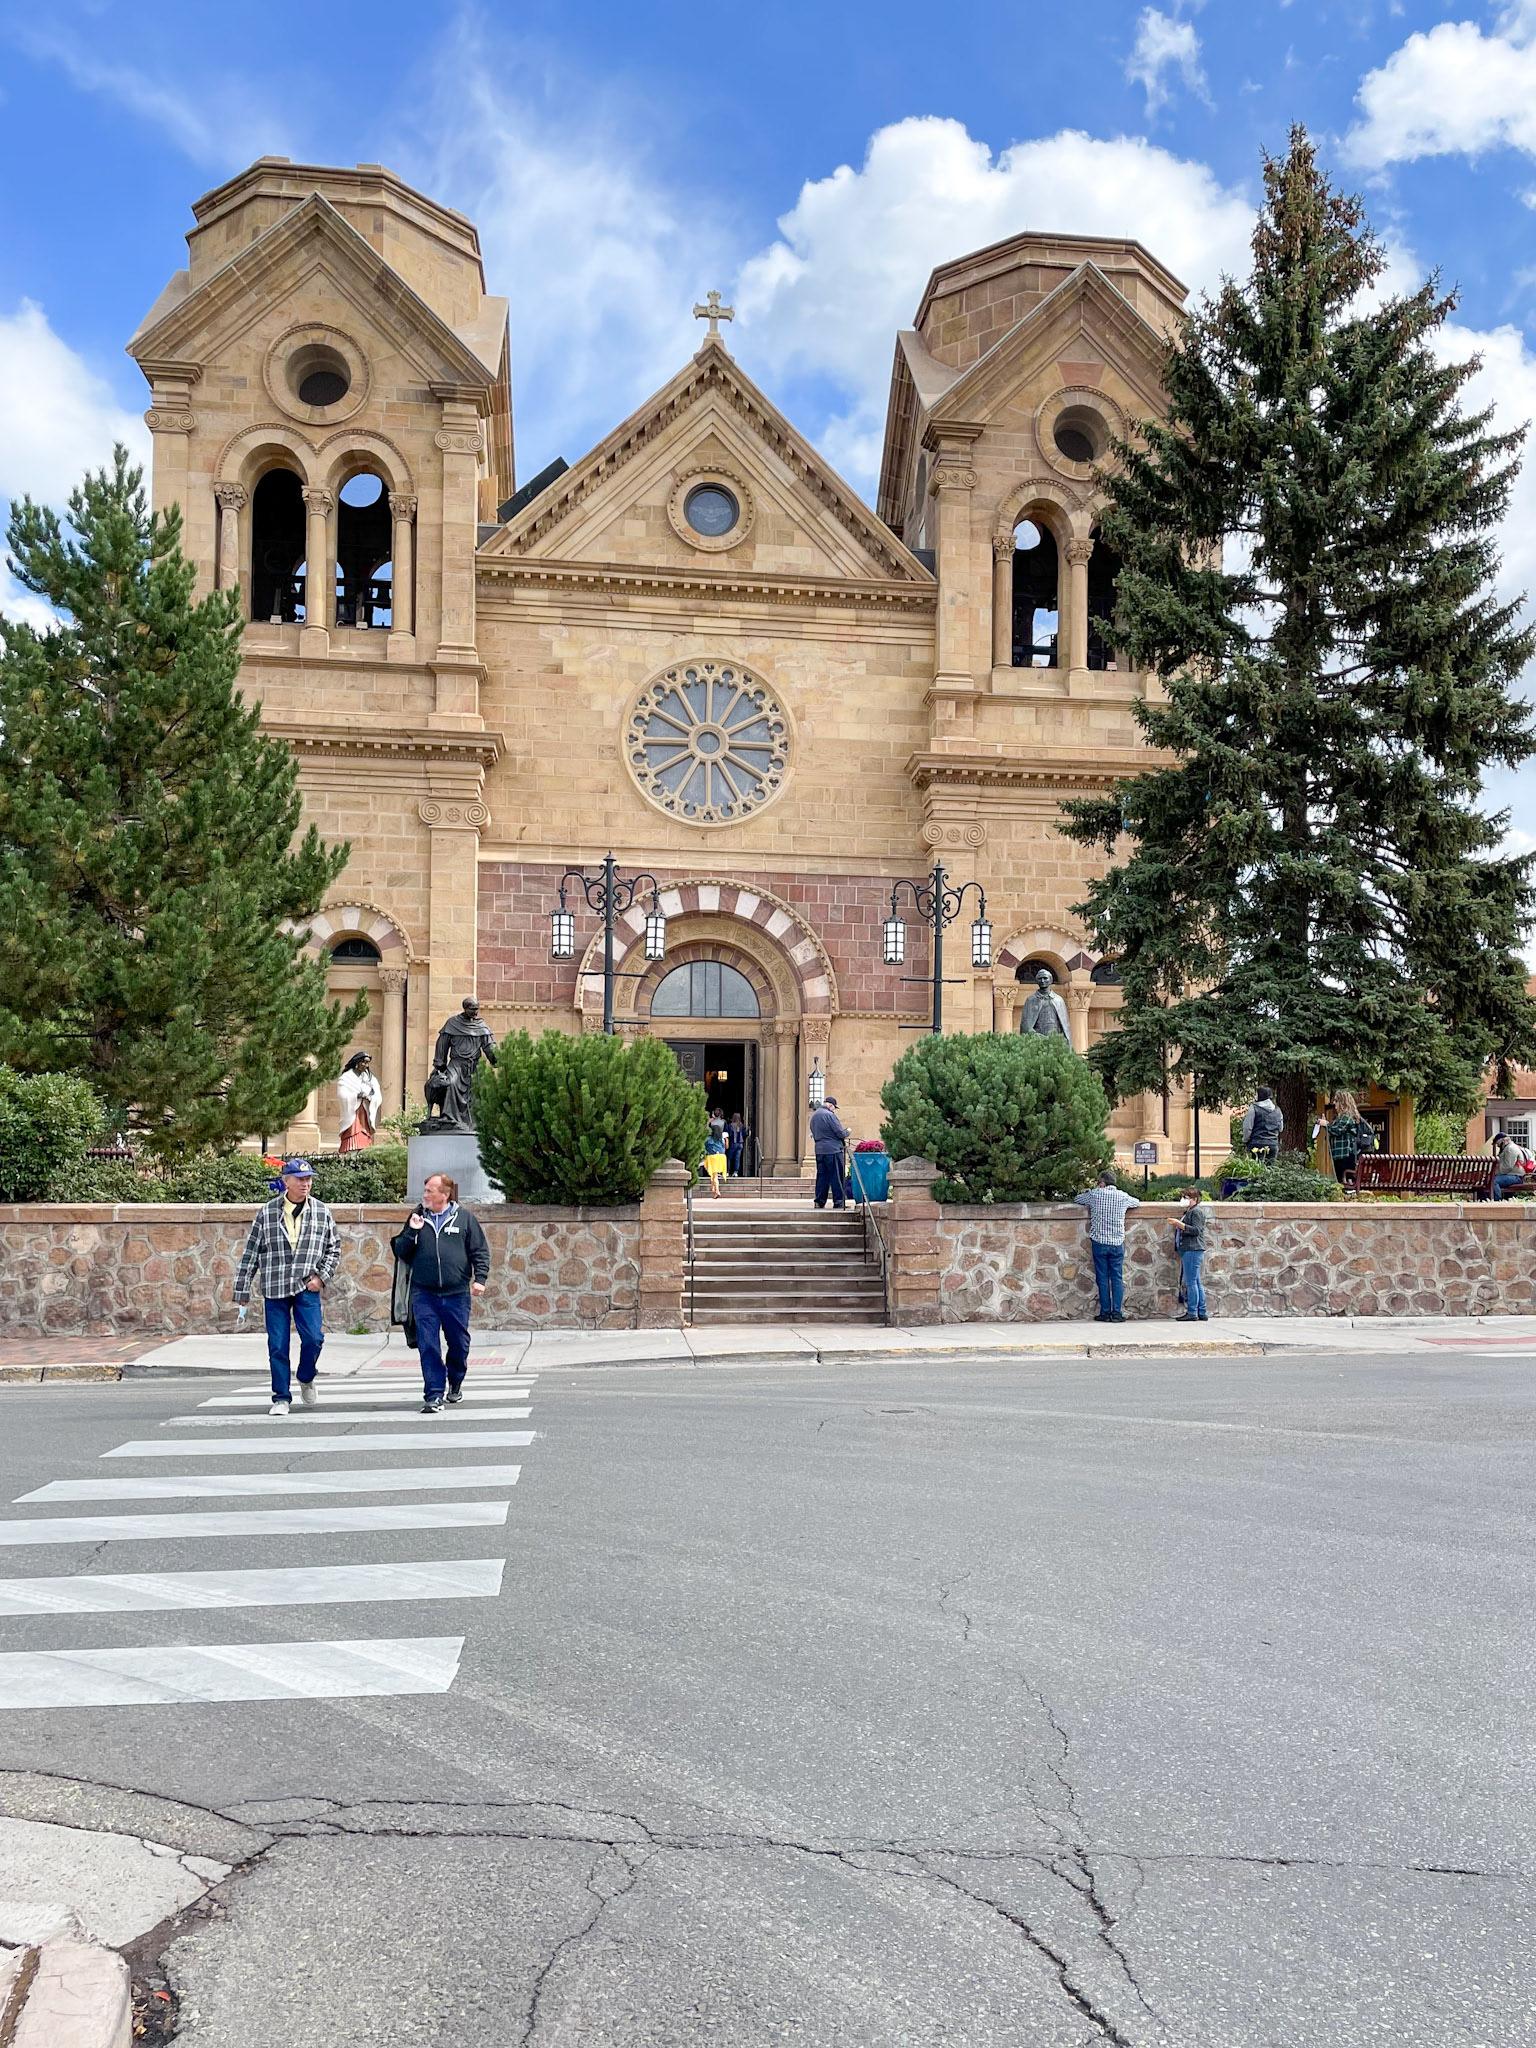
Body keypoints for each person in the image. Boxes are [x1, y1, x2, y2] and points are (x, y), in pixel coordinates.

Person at [232, 1159, 342, 1416]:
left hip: (306, 1285)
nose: (306, 1184)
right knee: (278, 1345)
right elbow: (251, 1252)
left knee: (314, 1339)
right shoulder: (268, 1212)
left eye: (308, 1179)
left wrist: (321, 1278)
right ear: (286, 1181)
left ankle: (306, 1376)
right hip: (275, 1286)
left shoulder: (322, 1212)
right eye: (300, 1179)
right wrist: (242, 1291)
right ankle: (281, 1397)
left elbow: (334, 1248)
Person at [390, 1173, 490, 1413]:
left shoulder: (464, 1218)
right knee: (428, 1344)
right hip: (424, 1294)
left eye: (430, 1191)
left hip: (457, 1294)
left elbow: (479, 1250)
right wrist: (412, 1232)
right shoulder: (416, 1218)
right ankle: (433, 1394)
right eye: (425, 1190)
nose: (425, 1195)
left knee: (458, 1343)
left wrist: (480, 1279)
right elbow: (401, 1253)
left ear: (444, 1195)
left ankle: (455, 1382)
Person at [1073, 1171, 1140, 1323]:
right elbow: (1136, 1202)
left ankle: (1104, 1312)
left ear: (1102, 1183)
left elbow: (1077, 1199)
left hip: (1100, 1242)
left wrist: (1088, 1191)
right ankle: (1117, 1312)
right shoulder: (1122, 1196)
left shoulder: (1095, 1194)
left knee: (1102, 1278)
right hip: (1117, 1242)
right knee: (1117, 1278)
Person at [1172, 1186, 1210, 1321]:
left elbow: (1196, 1230)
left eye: (1186, 1198)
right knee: (1196, 1281)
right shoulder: (1190, 1212)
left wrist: (1179, 1224)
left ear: (1194, 1199)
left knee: (1191, 1282)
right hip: (1190, 1249)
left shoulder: (1196, 1212)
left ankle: (1193, 1311)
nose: (1183, 1200)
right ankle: (1201, 1311)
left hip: (1192, 1249)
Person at [336, 1051, 382, 1153]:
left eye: (367, 1063)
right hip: (353, 1112)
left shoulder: (370, 1079)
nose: (365, 1065)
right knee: (353, 1132)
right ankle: (351, 1150)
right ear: (357, 1062)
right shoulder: (346, 1077)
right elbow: (342, 1094)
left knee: (364, 1133)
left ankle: (364, 1149)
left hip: (365, 1111)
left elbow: (377, 1094)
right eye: (363, 1062)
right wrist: (356, 1095)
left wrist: (370, 1098)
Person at [809, 1096, 850, 1210]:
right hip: (833, 1150)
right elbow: (840, 1133)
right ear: (831, 1105)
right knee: (836, 1176)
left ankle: (819, 1201)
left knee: (822, 1177)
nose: (834, 1110)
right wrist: (848, 1131)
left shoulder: (814, 1116)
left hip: (819, 1150)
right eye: (834, 1108)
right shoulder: (830, 1116)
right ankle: (839, 1202)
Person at [1327, 1091, 1374, 1188]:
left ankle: (1349, 1199)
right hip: (1339, 1155)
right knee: (1341, 1181)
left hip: (1346, 1155)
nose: (1334, 1103)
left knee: (1347, 1181)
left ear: (1343, 1102)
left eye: (1336, 1101)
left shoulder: (1347, 1116)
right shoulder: (1339, 1118)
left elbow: (1338, 1130)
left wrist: (1326, 1124)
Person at [1241, 1087, 1285, 1163]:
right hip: (1272, 1144)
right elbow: (1280, 1128)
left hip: (1257, 1143)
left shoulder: (1254, 1108)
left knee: (1257, 1170)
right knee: (1270, 1170)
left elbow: (1247, 1128)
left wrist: (1245, 1140)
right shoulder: (1278, 1110)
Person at [1490, 1132, 1530, 1201]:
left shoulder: (1510, 1149)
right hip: (1512, 1175)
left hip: (1516, 1176)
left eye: (1497, 1143)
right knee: (1494, 1180)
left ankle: (1497, 1201)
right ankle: (1506, 1200)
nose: (1497, 1146)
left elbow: (1508, 1166)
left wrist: (1495, 1173)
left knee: (1493, 1181)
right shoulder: (1508, 1148)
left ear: (1503, 1140)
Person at [703, 1128, 729, 1197]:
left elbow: (704, 1146)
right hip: (722, 1157)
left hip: (713, 1157)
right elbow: (725, 1147)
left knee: (715, 1175)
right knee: (714, 1173)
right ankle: (713, 1187)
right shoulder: (721, 1139)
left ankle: (717, 1191)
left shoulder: (709, 1139)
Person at [726, 1112, 747, 1176]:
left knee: (729, 1157)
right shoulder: (741, 1125)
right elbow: (745, 1134)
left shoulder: (731, 1125)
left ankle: (727, 1171)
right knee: (737, 1158)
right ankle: (736, 1172)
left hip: (733, 1143)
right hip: (740, 1143)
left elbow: (729, 1134)